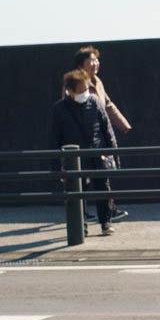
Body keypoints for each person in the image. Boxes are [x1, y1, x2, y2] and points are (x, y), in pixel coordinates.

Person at [51, 68, 119, 235]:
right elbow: (53, 139)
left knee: (103, 188)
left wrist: (114, 154)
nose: (85, 93)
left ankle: (106, 222)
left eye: (87, 89)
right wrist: (56, 168)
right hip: (74, 158)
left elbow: (106, 128)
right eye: (81, 90)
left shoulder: (94, 101)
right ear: (70, 91)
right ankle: (81, 226)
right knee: (77, 192)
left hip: (97, 153)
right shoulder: (59, 109)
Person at [73, 46, 131, 223]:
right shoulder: (75, 81)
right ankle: (80, 214)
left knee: (102, 176)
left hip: (100, 138)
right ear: (81, 64)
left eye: (96, 60)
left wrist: (123, 124)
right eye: (91, 60)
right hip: (83, 139)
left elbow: (107, 104)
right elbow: (70, 109)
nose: (95, 64)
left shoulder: (97, 82)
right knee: (82, 179)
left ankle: (108, 210)